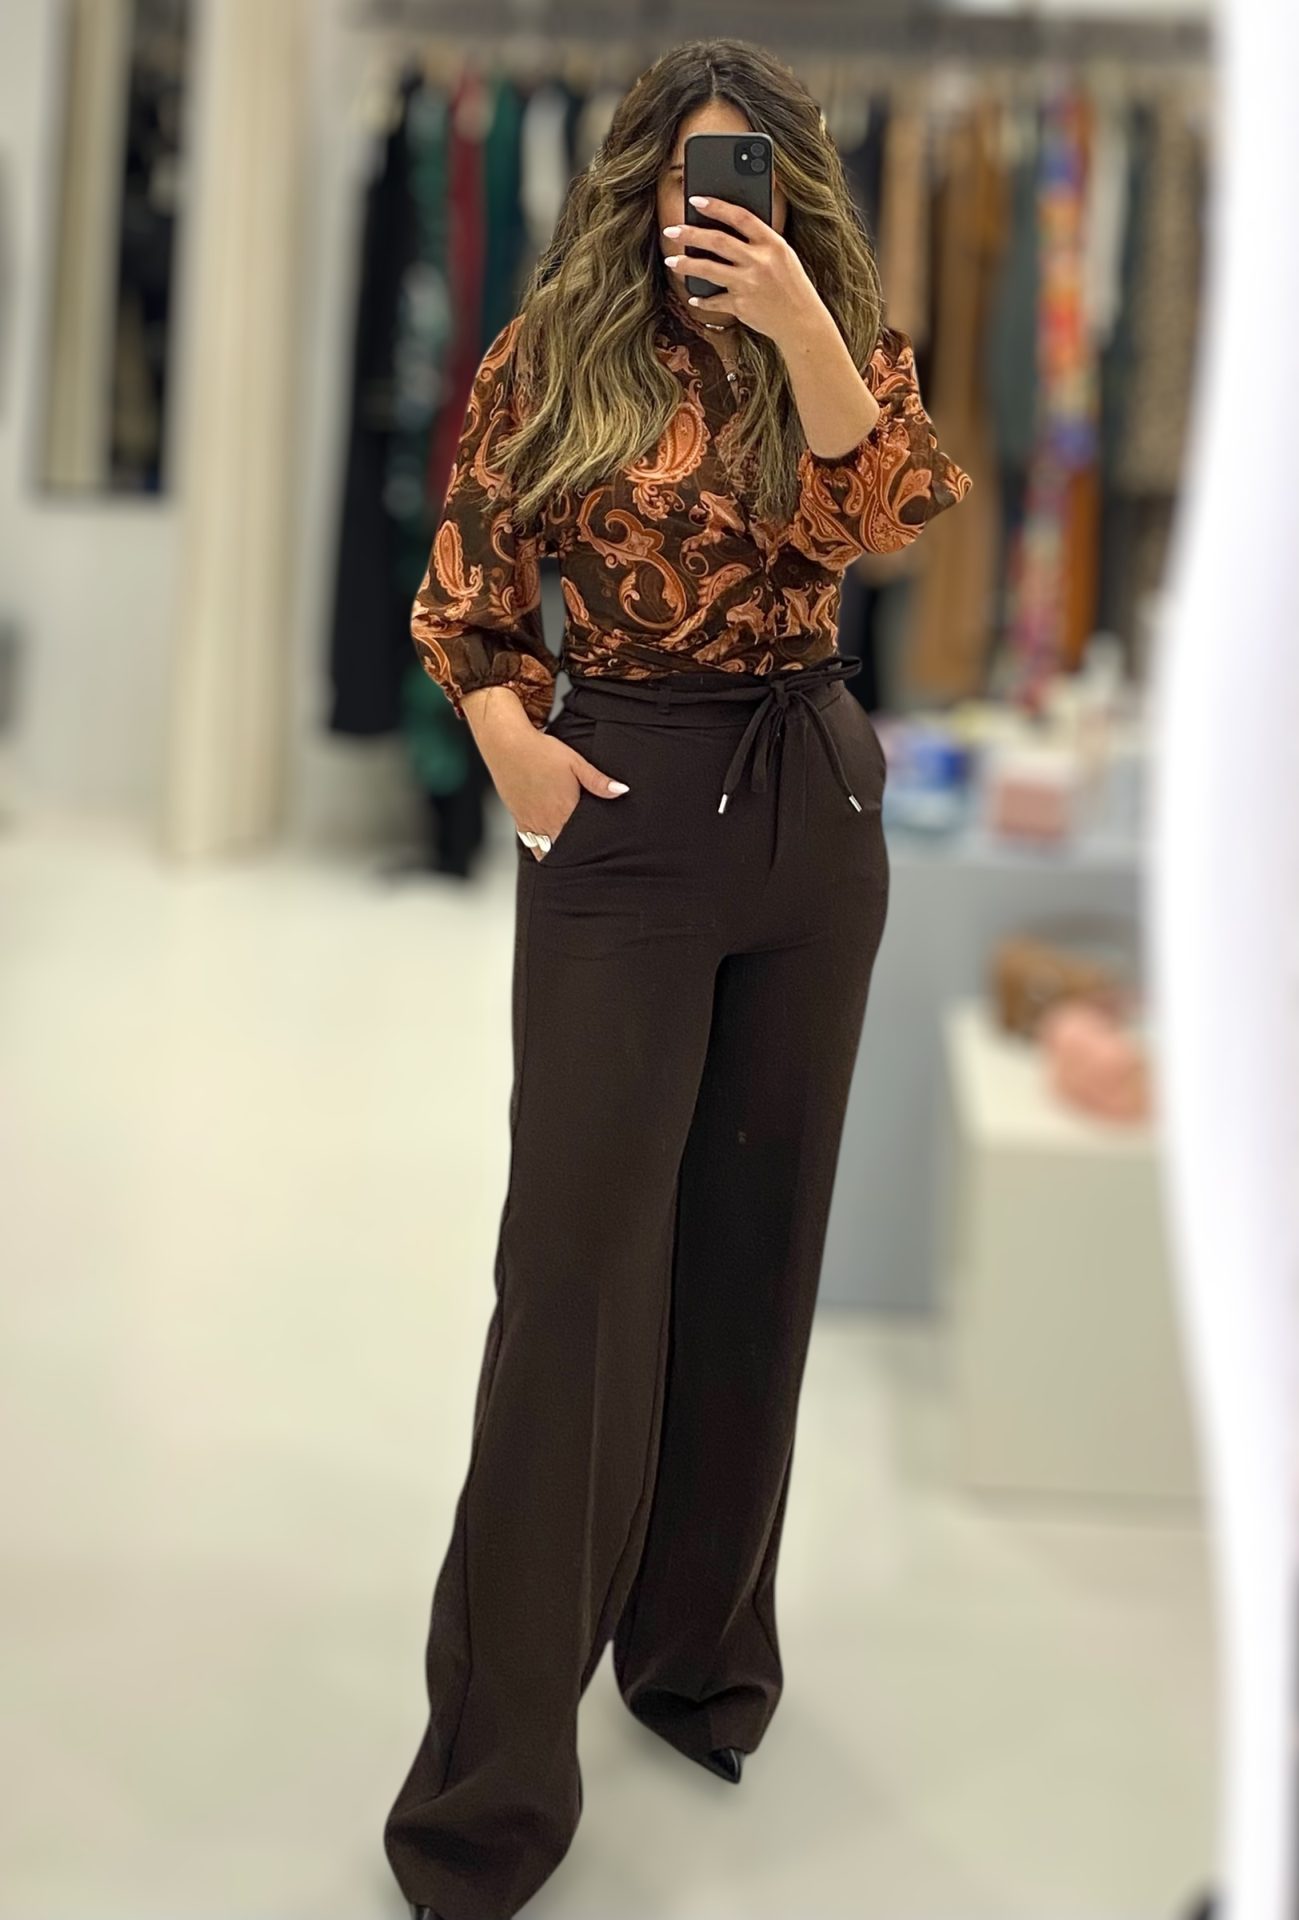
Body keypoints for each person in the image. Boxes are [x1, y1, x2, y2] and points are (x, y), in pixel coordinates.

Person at [384, 38, 971, 1920]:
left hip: (815, 804)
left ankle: (699, 1661)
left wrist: (803, 326)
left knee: (754, 1250)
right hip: (627, 811)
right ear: (634, 179)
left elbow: (890, 520)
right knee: (572, 1279)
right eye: (681, 174)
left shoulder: (841, 348)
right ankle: (486, 1792)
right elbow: (465, 599)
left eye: (746, 178)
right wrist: (515, 750)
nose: (703, 209)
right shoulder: (554, 353)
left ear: (792, 193)